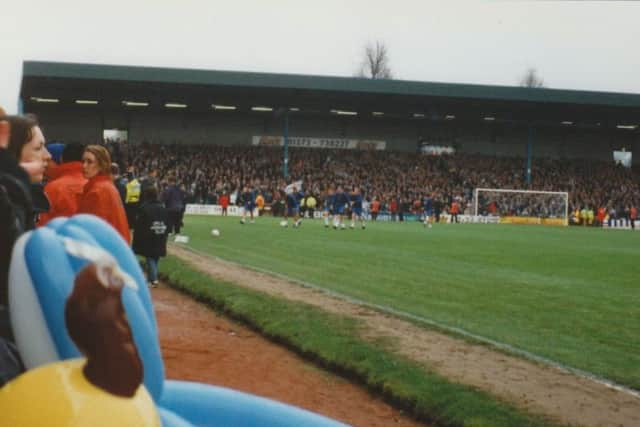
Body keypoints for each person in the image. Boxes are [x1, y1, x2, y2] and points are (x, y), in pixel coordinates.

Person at [78, 145, 130, 243]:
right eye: (83, 161)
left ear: (102, 165)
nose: (84, 165)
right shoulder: (106, 186)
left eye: (89, 162)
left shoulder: (97, 191)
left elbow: (93, 233)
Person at [38, 143, 86, 226]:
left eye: (48, 160)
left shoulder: (52, 189)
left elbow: (42, 226)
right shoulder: (97, 184)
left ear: (60, 159)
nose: (44, 165)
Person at [133, 185, 169, 288]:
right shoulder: (162, 207)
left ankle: (154, 280)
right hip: (160, 234)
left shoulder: (144, 208)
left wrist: (137, 239)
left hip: (148, 236)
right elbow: (167, 222)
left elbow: (139, 225)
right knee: (155, 257)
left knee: (150, 258)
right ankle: (150, 279)